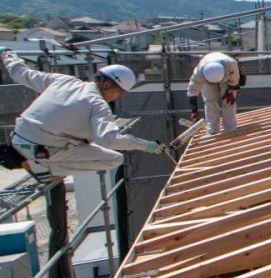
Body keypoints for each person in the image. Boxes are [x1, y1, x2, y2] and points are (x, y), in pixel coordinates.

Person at [0, 48, 163, 182]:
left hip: (18, 139)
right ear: (106, 84)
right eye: (119, 92)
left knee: (82, 141)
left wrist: (7, 53)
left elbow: (20, 73)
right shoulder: (97, 104)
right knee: (114, 159)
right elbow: (109, 140)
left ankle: (38, 165)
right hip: (44, 150)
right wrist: (146, 145)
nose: (118, 97)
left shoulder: (64, 80)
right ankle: (44, 169)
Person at [187, 51, 243, 135]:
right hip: (208, 81)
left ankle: (230, 128)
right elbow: (192, 91)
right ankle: (212, 130)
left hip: (227, 79)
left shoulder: (231, 65)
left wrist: (231, 90)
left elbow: (234, 80)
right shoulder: (199, 72)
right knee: (209, 101)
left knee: (228, 103)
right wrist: (194, 109)